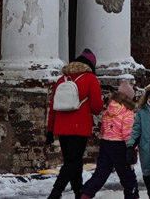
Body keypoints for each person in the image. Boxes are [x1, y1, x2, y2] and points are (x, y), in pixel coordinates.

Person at [45, 49, 103, 199]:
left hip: (61, 126)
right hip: (79, 127)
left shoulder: (62, 79)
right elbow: (97, 107)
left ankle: (79, 192)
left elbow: (52, 107)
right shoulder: (90, 79)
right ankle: (55, 192)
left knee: (74, 162)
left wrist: (50, 130)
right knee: (72, 162)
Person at [81, 79, 139, 199]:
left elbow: (103, 128)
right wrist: (132, 148)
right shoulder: (127, 112)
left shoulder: (108, 110)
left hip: (106, 143)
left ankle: (85, 195)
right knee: (128, 177)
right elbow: (128, 132)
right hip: (120, 146)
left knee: (100, 174)